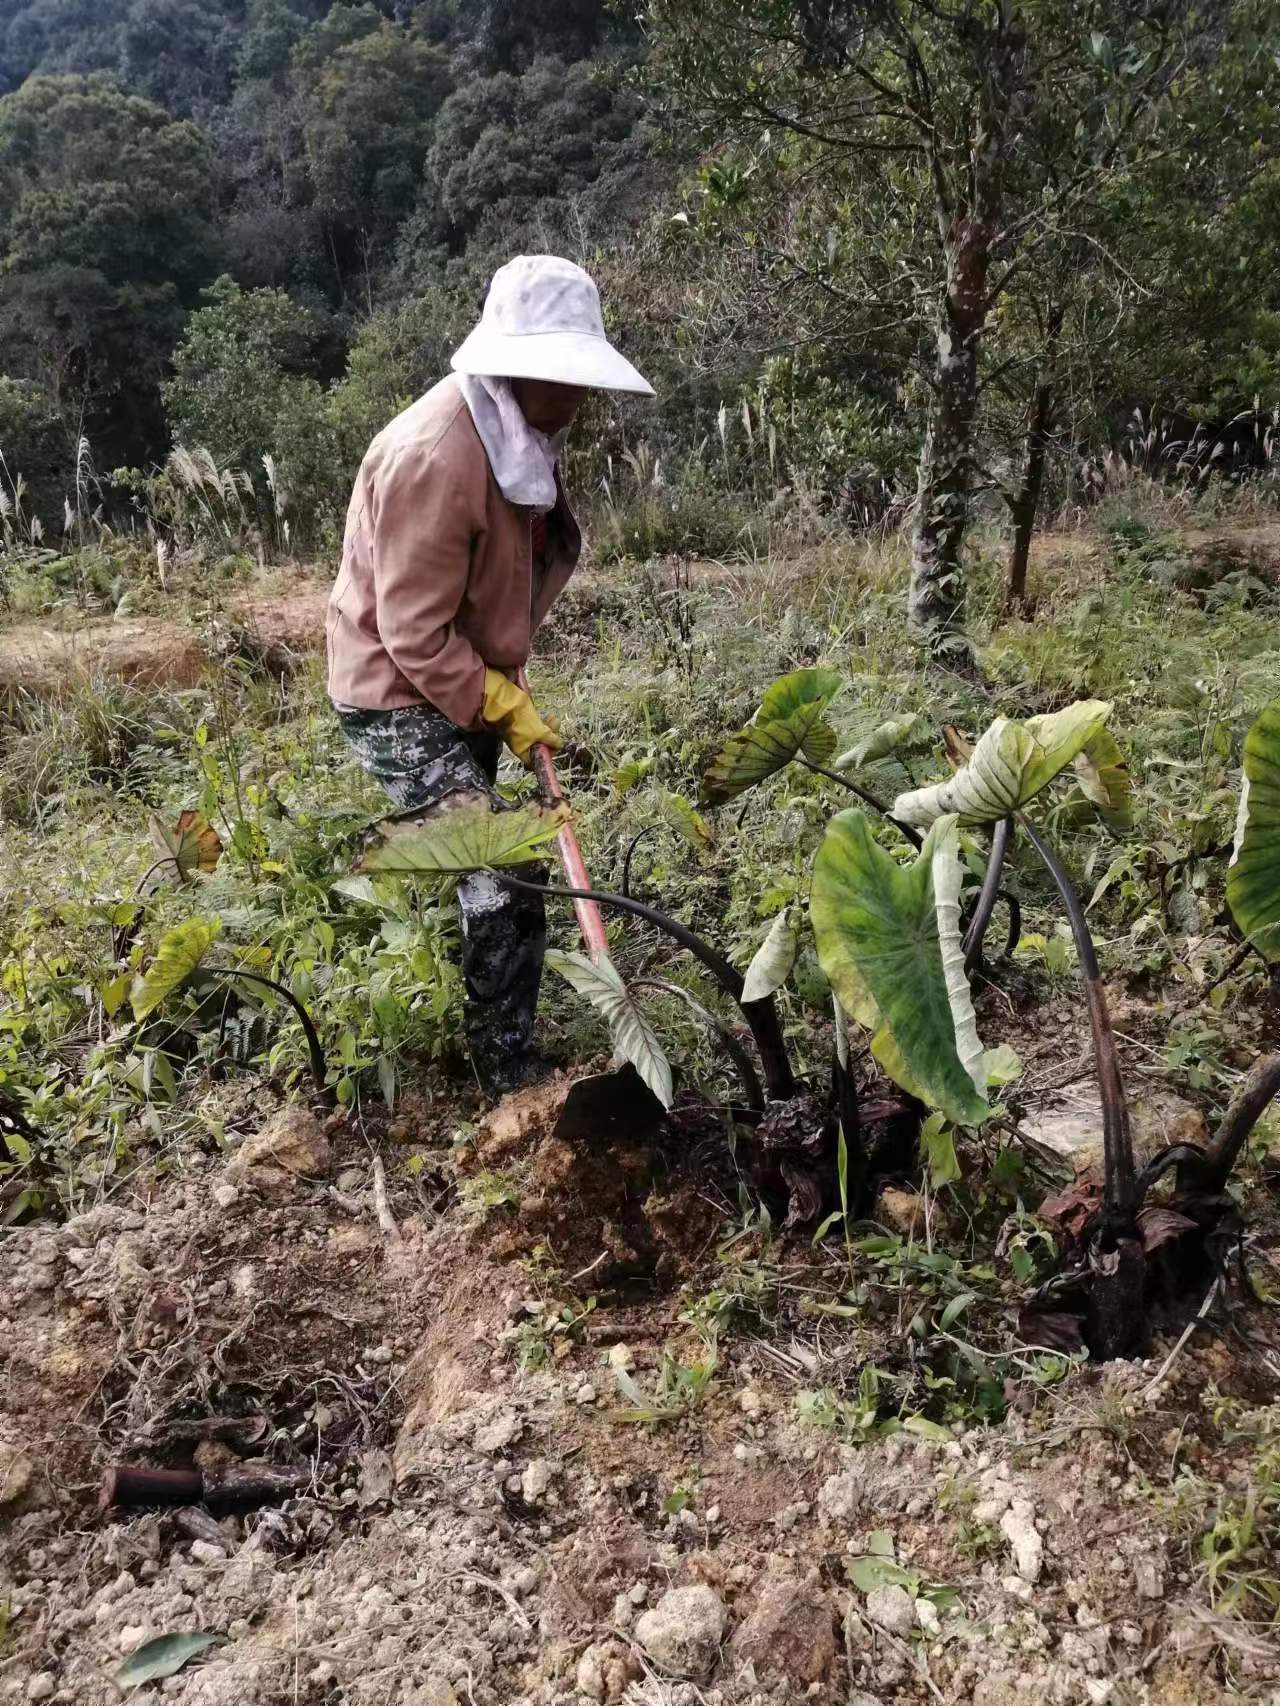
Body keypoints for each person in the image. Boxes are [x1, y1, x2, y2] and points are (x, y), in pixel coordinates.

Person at [326, 254, 653, 1095]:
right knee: (501, 868)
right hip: (393, 689)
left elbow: (502, 573)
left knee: (496, 860)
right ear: (514, 364)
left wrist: (499, 683)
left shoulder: (517, 433)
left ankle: (502, 1020)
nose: (578, 396)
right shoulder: (435, 457)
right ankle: (507, 1075)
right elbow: (410, 630)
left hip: (462, 670)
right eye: (562, 375)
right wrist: (495, 698)